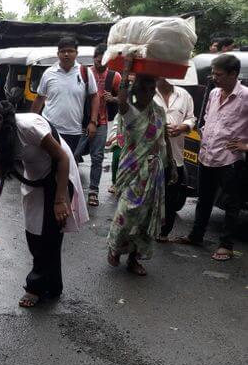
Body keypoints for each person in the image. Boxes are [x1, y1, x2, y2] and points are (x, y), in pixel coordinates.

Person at [0, 98, 88, 308]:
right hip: (35, 178)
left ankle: (34, 287)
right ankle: (54, 286)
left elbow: (62, 159)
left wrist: (59, 200)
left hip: (59, 174)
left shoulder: (28, 127)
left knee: (51, 234)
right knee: (33, 233)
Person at [107, 56, 176, 276]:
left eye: (151, 88)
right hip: (133, 171)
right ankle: (115, 248)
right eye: (144, 88)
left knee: (146, 217)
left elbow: (164, 137)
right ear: (136, 90)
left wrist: (172, 163)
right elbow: (120, 100)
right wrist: (126, 70)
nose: (148, 92)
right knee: (127, 212)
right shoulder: (129, 111)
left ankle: (135, 258)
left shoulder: (158, 111)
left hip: (154, 171)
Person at [173, 54, 247, 261]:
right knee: (204, 199)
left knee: (232, 204)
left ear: (233, 74)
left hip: (230, 159)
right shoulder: (214, 93)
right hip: (207, 154)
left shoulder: (245, 96)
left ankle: (226, 245)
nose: (214, 77)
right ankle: (196, 236)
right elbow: (207, 118)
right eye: (213, 73)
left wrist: (244, 146)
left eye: (219, 74)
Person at [32, 37, 99, 154]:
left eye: (70, 51)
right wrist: (32, 121)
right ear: (58, 54)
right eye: (63, 51)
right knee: (50, 163)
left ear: (76, 53)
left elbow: (94, 96)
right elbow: (39, 98)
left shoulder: (86, 72)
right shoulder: (49, 73)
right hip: (50, 128)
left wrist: (93, 122)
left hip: (75, 131)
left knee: (71, 164)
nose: (66, 54)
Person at [74, 44, 121, 206]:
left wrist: (113, 99)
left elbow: (124, 99)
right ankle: (70, 189)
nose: (101, 64)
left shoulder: (114, 77)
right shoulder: (84, 72)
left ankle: (93, 191)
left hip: (101, 122)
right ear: (94, 59)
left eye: (104, 61)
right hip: (81, 121)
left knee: (97, 157)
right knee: (73, 155)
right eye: (98, 60)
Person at [154, 78, 195, 242]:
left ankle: (164, 232)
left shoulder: (184, 95)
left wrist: (182, 127)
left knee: (171, 197)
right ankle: (146, 229)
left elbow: (191, 118)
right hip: (151, 157)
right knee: (150, 196)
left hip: (175, 158)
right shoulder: (147, 93)